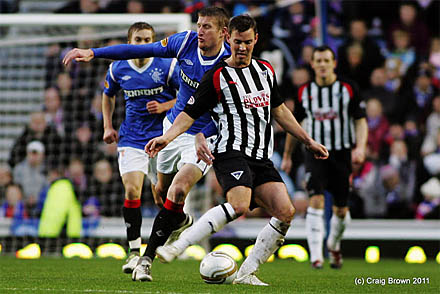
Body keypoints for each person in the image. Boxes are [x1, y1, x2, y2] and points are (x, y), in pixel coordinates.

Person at [146, 15, 328, 286]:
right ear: (228, 39)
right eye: (237, 42)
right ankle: (178, 245)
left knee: (286, 211)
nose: (241, 48)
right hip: (230, 151)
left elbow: (280, 111)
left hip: (260, 157)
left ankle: (246, 272)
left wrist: (308, 140)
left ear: (256, 40)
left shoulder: (266, 71)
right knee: (240, 204)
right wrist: (166, 137)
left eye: (247, 42)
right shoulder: (217, 76)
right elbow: (189, 114)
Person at [63, 7, 231, 282]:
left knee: (177, 191)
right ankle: (180, 221)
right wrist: (93, 53)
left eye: (207, 27)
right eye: (199, 24)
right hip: (172, 129)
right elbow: (135, 52)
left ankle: (145, 259)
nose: (199, 30)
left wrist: (203, 133)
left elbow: (225, 109)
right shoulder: (185, 42)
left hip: (204, 135)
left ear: (223, 32)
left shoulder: (229, 63)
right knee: (161, 193)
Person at [100, 22, 179, 274]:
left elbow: (189, 96)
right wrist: (107, 126)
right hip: (132, 138)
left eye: (148, 40)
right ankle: (134, 252)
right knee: (132, 190)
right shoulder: (117, 67)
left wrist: (165, 107)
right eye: (138, 39)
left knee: (161, 197)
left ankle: (179, 226)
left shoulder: (167, 66)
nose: (143, 44)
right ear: (129, 42)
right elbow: (107, 94)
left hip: (162, 138)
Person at [281, 45, 368, 269]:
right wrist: (288, 155)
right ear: (312, 64)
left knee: (341, 210)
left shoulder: (348, 88)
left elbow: (360, 120)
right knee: (316, 199)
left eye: (326, 61)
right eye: (318, 61)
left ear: (334, 63)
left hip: (341, 153)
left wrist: (360, 147)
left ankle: (334, 244)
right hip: (315, 153)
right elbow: (295, 126)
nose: (322, 65)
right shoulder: (304, 92)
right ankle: (316, 255)